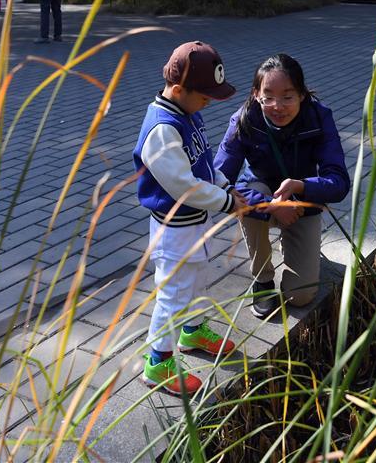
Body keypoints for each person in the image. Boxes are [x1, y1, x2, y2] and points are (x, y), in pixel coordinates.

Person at [132, 41, 246, 395]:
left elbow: (204, 163)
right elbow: (184, 186)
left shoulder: (188, 113)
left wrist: (226, 186)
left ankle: (193, 331)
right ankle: (158, 362)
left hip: (195, 223)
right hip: (174, 230)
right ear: (180, 89)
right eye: (205, 96)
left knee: (197, 283)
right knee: (173, 295)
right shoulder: (162, 129)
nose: (209, 102)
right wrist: (226, 202)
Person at [214, 54, 350, 318]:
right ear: (256, 95)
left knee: (300, 297)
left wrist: (302, 186)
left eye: (287, 97)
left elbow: (339, 182)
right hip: (262, 197)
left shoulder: (319, 117)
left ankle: (292, 241)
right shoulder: (244, 119)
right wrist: (270, 206)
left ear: (302, 94)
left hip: (301, 202)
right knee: (250, 201)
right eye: (268, 97)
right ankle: (262, 280)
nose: (278, 106)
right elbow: (219, 180)